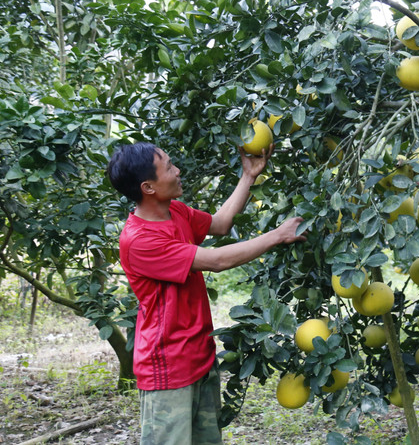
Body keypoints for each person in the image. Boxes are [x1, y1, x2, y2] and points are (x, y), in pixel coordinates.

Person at [106, 142, 306, 445]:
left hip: (199, 355)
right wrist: (277, 235)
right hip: (167, 367)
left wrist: (248, 176)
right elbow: (217, 261)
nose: (178, 171)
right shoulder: (140, 240)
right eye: (169, 167)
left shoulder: (175, 211)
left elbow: (220, 224)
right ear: (148, 187)